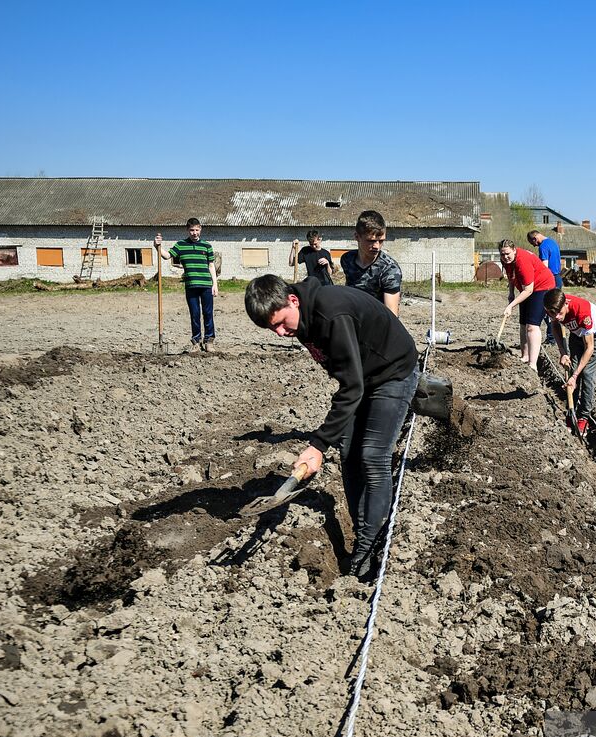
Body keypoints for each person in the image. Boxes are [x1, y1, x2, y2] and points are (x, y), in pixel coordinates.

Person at [245, 274, 419, 581]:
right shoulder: (300, 317)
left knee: (373, 455)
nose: (282, 333)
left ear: (293, 300)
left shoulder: (330, 313)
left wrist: (317, 444)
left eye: (282, 323)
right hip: (362, 376)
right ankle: (360, 532)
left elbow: (351, 387)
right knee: (350, 453)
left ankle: (368, 550)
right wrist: (327, 441)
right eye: (273, 328)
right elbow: (349, 381)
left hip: (393, 370)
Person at [545, 288, 596, 436]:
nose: (557, 317)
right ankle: (571, 412)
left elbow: (589, 348)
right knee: (571, 368)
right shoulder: (552, 305)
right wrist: (563, 353)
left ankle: (584, 417)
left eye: (560, 313)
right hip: (576, 333)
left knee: (586, 374)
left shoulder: (582, 312)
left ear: (566, 305)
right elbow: (555, 326)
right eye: (552, 314)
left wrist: (575, 376)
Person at [155, 218, 218, 351]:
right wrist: (157, 246)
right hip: (191, 286)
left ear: (200, 229)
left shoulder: (207, 246)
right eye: (191, 230)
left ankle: (209, 341)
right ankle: (196, 342)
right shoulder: (181, 245)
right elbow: (167, 256)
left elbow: (211, 266)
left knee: (208, 313)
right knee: (194, 314)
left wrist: (215, 284)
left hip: (206, 285)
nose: (194, 233)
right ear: (187, 230)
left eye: (196, 230)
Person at [498, 238, 559, 370]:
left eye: (508, 253)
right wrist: (511, 293)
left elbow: (529, 290)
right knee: (523, 324)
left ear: (514, 250)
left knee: (532, 326)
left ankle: (533, 364)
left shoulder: (522, 260)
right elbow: (511, 277)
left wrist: (510, 306)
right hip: (526, 288)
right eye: (502, 254)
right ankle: (524, 356)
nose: (505, 257)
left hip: (542, 287)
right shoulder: (506, 261)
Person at [339, 210, 402, 316]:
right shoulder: (347, 260)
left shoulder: (389, 269)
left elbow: (391, 316)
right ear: (357, 237)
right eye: (371, 241)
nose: (377, 246)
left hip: (377, 324)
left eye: (381, 241)